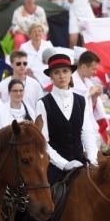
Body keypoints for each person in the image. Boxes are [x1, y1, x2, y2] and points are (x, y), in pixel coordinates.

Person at [34, 53, 100, 185]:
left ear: (71, 73)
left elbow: (87, 132)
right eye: (56, 72)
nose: (62, 75)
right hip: (55, 169)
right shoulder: (42, 103)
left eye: (65, 71)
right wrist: (64, 164)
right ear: (51, 76)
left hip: (81, 165)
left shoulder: (81, 100)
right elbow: (43, 142)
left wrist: (92, 159)